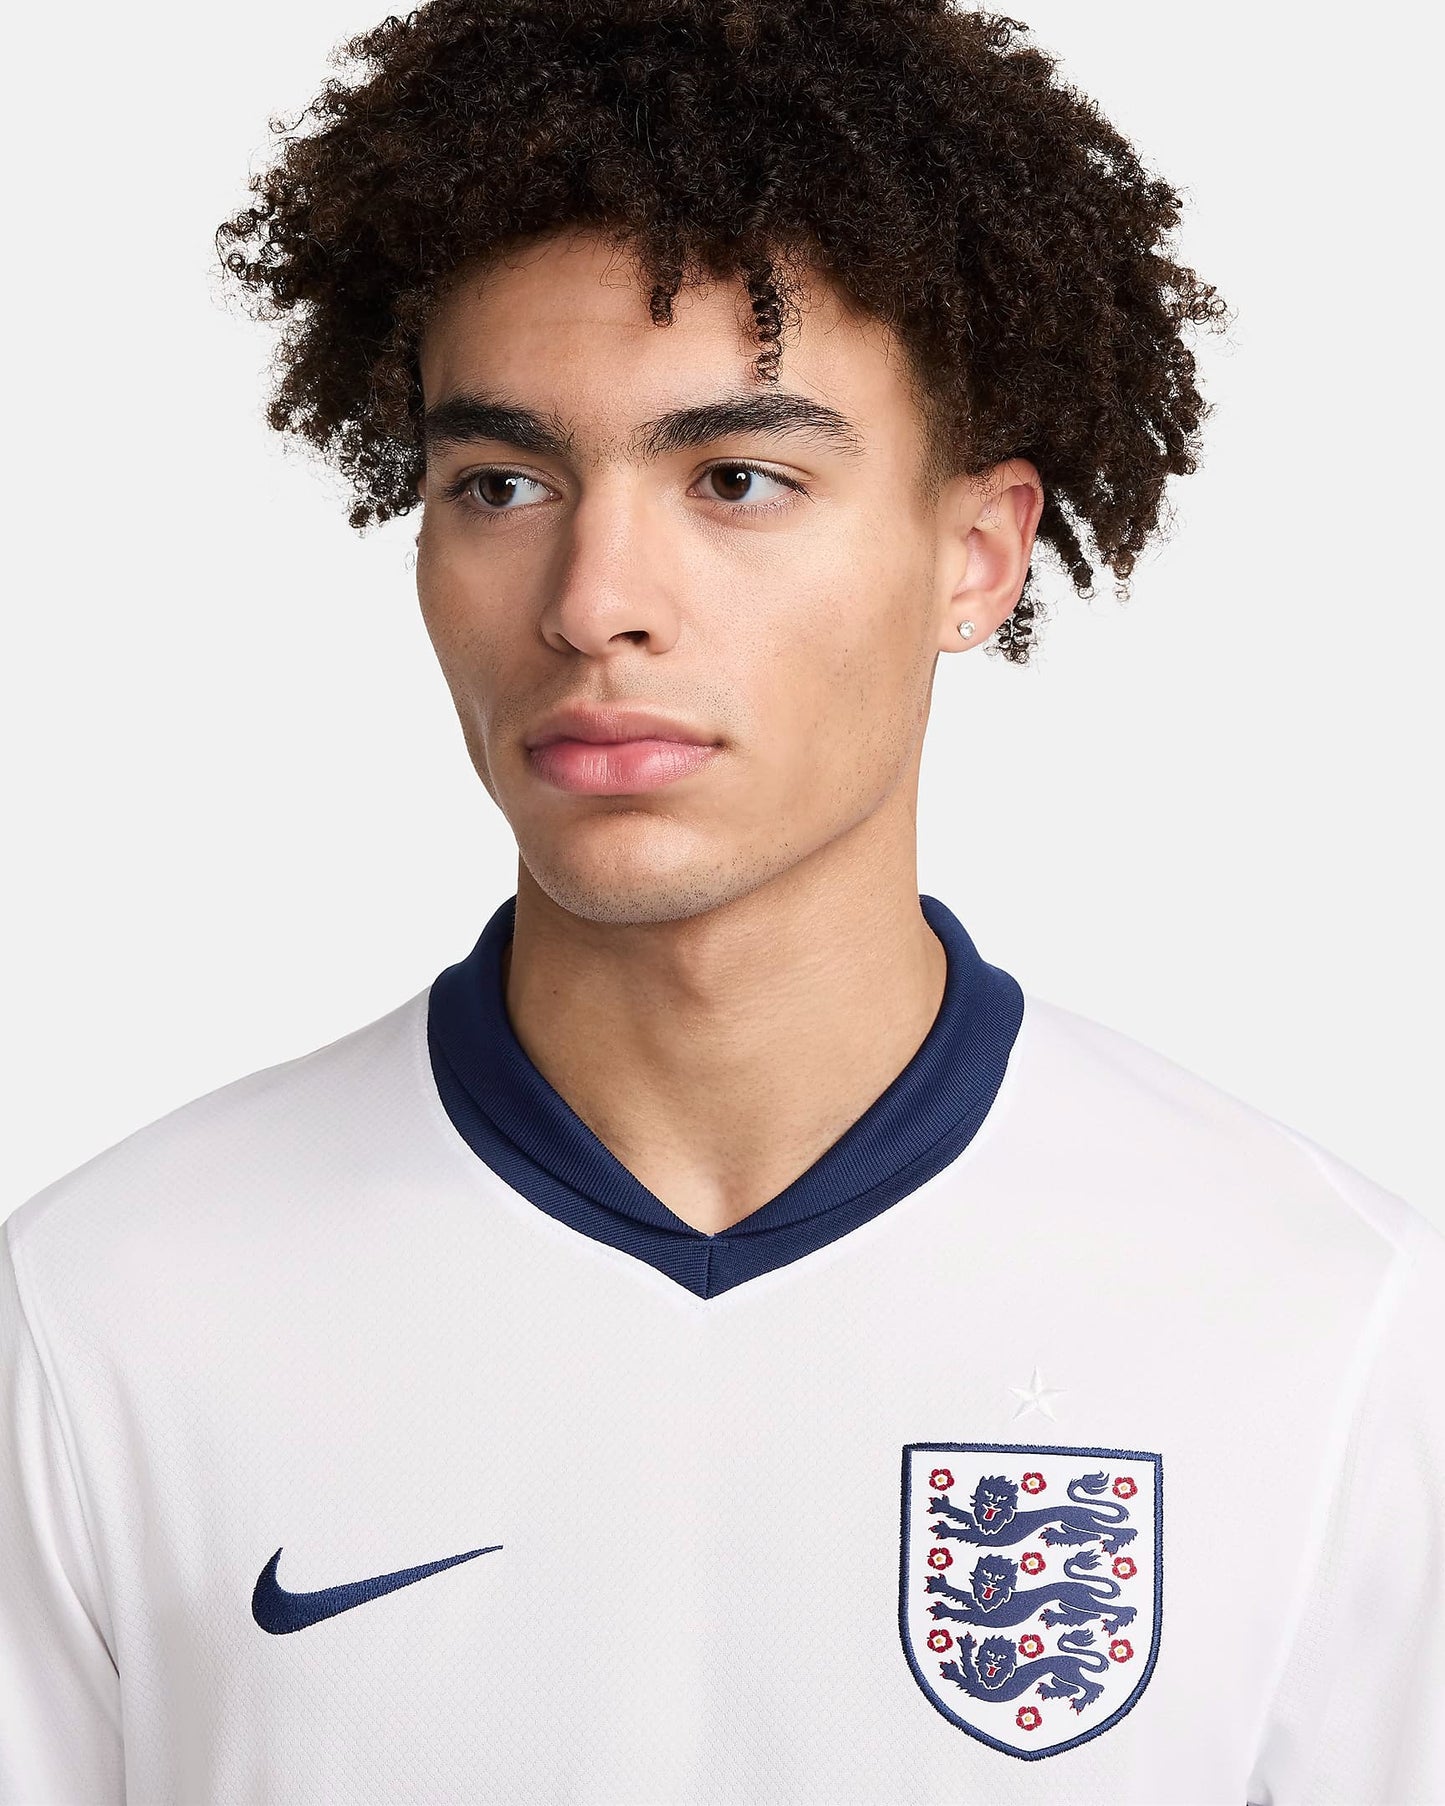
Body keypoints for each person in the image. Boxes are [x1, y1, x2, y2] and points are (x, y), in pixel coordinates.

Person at [3, 0, 1441, 1800]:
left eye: (738, 478)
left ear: (975, 554)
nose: (591, 598)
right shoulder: (111, 1307)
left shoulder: (1320, 1319)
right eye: (502, 482)